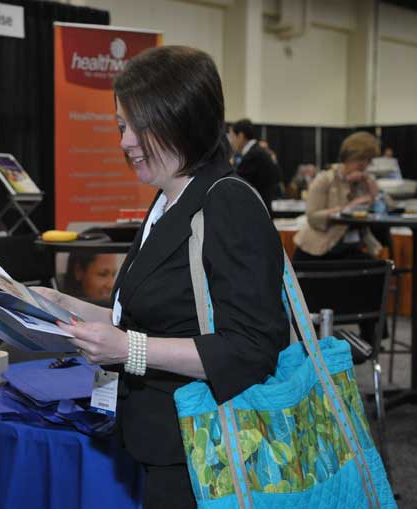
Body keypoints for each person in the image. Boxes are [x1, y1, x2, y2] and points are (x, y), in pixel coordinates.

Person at [35, 46, 288, 508]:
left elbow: (252, 348)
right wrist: (66, 307)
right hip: (168, 443)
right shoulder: (170, 198)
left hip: (214, 452)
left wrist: (128, 349)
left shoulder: (227, 202)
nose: (126, 142)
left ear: (183, 120)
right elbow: (148, 317)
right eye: (121, 127)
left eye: (139, 127)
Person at [293, 131, 382, 261]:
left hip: (351, 249)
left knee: (377, 266)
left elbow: (381, 210)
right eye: (361, 160)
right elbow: (313, 217)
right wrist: (350, 207)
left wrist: (373, 191)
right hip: (319, 250)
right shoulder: (325, 179)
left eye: (368, 161)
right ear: (349, 157)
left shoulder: (364, 181)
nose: (365, 166)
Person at [228, 119, 284, 212]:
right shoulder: (257, 151)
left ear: (241, 136)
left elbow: (236, 184)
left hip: (257, 210)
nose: (231, 142)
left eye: (232, 137)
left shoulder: (253, 155)